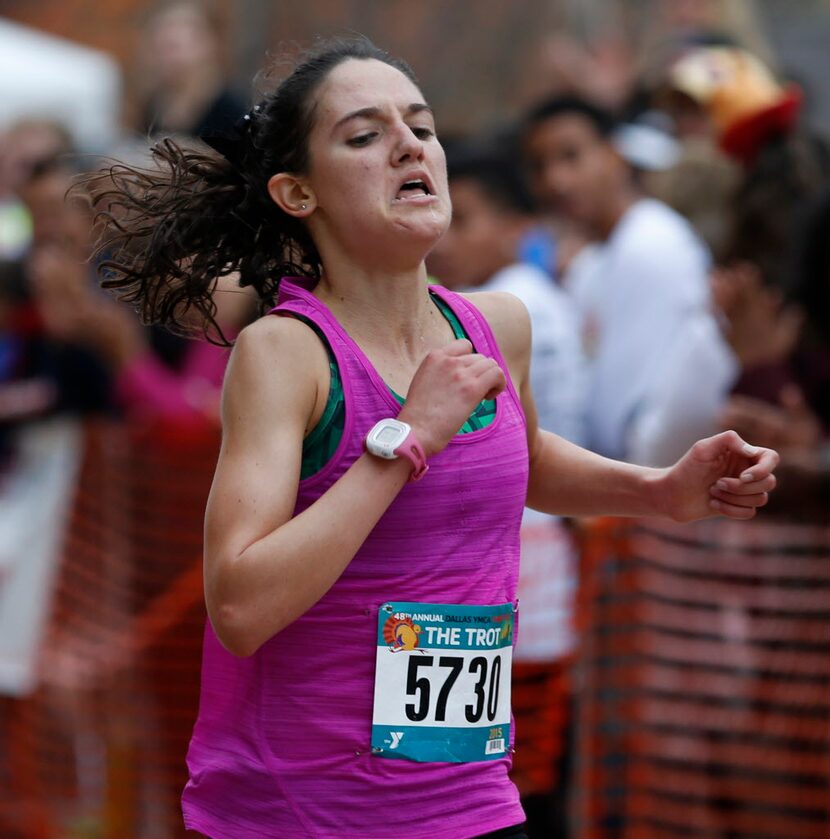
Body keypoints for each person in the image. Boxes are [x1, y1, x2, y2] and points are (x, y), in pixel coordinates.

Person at [86, 39, 778, 839]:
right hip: (300, 813)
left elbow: (524, 461)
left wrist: (659, 489)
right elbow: (240, 603)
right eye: (364, 134)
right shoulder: (287, 353)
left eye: (421, 125)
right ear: (296, 192)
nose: (410, 145)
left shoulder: (496, 327)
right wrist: (407, 436)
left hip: (472, 800)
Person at [428, 140, 586, 837]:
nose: (447, 239)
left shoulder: (518, 308)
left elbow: (537, 450)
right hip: (484, 581)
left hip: (522, 575)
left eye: (465, 220)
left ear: (520, 224)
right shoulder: (483, 306)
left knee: (521, 777)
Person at [521, 95, 738, 465]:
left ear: (615, 156)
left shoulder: (650, 244)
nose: (555, 180)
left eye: (571, 156)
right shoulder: (595, 261)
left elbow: (622, 425)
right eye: (540, 167)